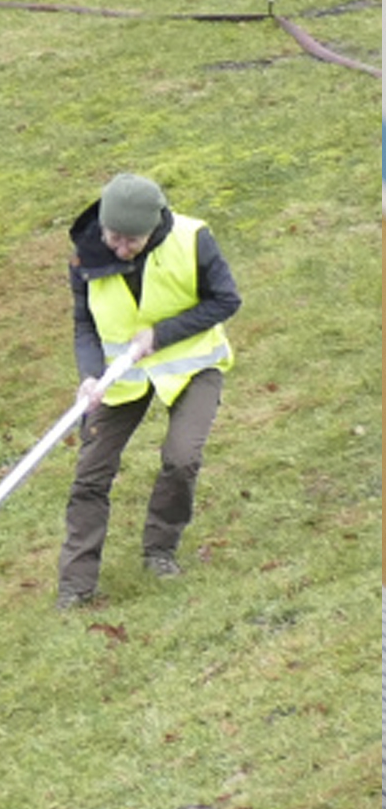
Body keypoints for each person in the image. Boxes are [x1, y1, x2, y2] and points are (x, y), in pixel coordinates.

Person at [59, 171, 239, 606]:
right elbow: (85, 324)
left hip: (193, 366)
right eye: (113, 237)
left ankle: (159, 550)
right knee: (90, 476)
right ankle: (76, 588)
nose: (120, 249)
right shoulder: (86, 257)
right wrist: (89, 375)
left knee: (181, 459)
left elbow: (226, 300)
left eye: (131, 241)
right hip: (121, 378)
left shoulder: (194, 240)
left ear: (154, 227)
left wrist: (161, 334)